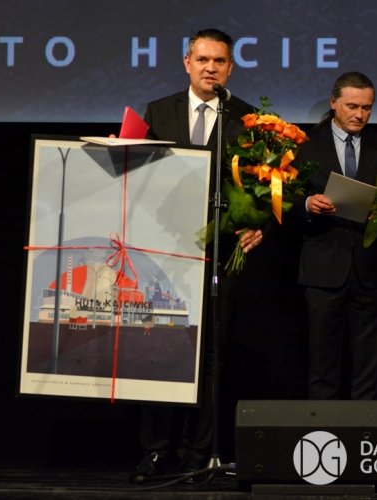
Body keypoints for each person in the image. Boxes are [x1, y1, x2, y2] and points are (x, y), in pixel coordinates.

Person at [129, 28, 260, 483]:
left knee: (212, 354)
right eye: (202, 60)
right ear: (187, 63)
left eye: (219, 61)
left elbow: (262, 185)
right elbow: (141, 176)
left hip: (221, 251)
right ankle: (156, 450)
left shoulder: (247, 118)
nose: (210, 68)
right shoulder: (158, 111)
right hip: (164, 251)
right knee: (159, 349)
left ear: (230, 68)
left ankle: (198, 451)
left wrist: (257, 223)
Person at [293, 71, 377, 400]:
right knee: (322, 358)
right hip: (323, 266)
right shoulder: (306, 144)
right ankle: (322, 425)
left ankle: (364, 426)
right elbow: (285, 198)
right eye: (352, 106)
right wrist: (309, 203)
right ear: (334, 103)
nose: (360, 114)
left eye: (367, 108)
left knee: (370, 361)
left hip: (370, 268)